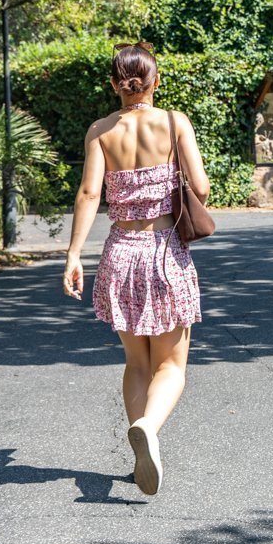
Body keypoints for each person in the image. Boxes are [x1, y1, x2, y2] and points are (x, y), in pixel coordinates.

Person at [61, 41, 209, 496]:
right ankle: (148, 426)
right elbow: (200, 189)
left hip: (121, 253)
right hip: (165, 253)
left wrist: (73, 254)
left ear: (114, 84)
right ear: (155, 80)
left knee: (136, 362)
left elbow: (89, 195)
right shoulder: (173, 122)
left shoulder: (101, 131)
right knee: (172, 366)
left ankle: (142, 448)